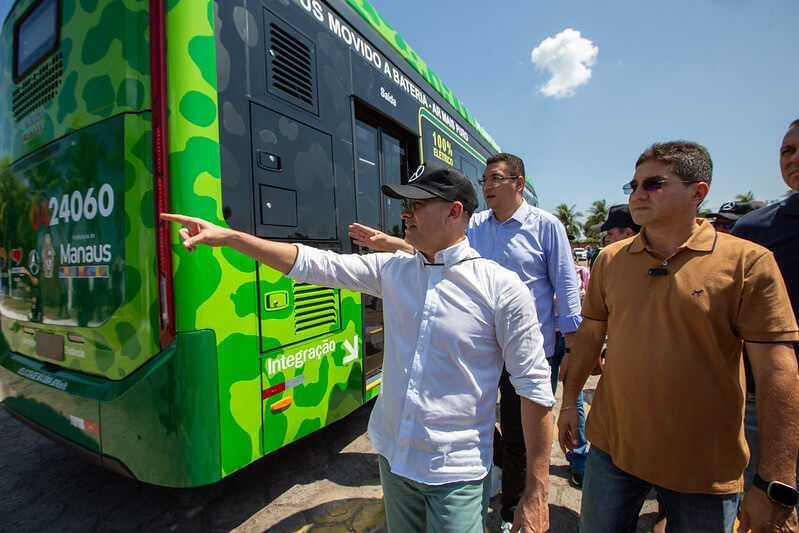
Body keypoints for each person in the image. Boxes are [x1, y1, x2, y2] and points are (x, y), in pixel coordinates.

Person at [162, 162, 555, 532]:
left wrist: (536, 493)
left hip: (454, 474)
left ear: (454, 213)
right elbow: (313, 263)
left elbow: (535, 392)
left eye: (416, 205)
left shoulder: (502, 289)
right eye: (405, 205)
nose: (406, 214)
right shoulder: (393, 270)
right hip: (393, 458)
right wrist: (229, 237)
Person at [558, 141, 799, 532]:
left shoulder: (748, 263)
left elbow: (777, 373)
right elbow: (590, 335)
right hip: (612, 450)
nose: (637, 194)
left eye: (653, 184)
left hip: (703, 467)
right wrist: (569, 403)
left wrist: (774, 482)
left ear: (697, 193)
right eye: (633, 185)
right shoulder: (611, 259)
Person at [349, 153, 584, 524]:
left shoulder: (547, 225)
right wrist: (394, 245)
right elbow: (443, 257)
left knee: (521, 435)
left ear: (518, 183)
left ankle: (512, 511)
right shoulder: (477, 227)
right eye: (485, 179)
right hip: (477, 347)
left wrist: (572, 346)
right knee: (485, 432)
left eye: (496, 178)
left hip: (527, 347)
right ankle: (474, 487)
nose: (488, 185)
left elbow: (566, 286)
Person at [733, 119, 799, 499]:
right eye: (787, 150)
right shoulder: (755, 231)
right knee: (762, 508)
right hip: (761, 404)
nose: (794, 158)